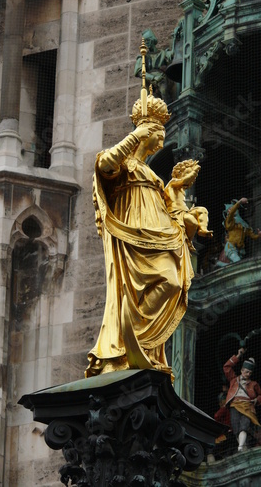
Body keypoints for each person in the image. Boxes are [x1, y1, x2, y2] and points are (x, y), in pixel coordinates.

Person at [85, 86, 194, 382]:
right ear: (147, 132)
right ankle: (125, 340)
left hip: (157, 238)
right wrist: (135, 134)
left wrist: (178, 189)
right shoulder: (124, 165)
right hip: (132, 238)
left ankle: (141, 342)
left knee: (172, 282)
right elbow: (105, 165)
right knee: (159, 284)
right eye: (158, 131)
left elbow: (173, 215)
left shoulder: (153, 175)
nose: (162, 137)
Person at [164, 159, 213, 251]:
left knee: (202, 210)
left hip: (185, 211)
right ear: (179, 173)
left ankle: (202, 229)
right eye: (187, 173)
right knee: (192, 221)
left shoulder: (182, 190)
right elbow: (185, 181)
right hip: (175, 214)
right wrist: (194, 172)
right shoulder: (172, 183)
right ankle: (188, 241)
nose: (192, 179)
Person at [223, 348, 261, 452]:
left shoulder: (253, 384)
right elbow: (226, 367)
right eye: (246, 372)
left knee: (244, 425)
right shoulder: (234, 380)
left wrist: (256, 400)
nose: (248, 374)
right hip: (234, 405)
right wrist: (238, 356)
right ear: (242, 370)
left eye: (250, 373)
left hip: (247, 406)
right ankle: (242, 446)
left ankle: (241, 447)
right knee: (235, 426)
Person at [217, 198, 261, 266]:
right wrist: (239, 202)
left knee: (236, 265)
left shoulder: (244, 224)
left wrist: (258, 235)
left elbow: (252, 235)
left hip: (240, 250)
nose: (231, 210)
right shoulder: (229, 221)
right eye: (229, 209)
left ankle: (220, 264)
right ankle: (220, 264)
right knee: (238, 263)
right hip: (231, 247)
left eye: (232, 208)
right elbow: (231, 213)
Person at [134, 28, 172, 99]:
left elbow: (171, 56)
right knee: (145, 98)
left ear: (152, 40)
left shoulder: (163, 53)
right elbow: (139, 72)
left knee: (164, 91)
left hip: (161, 78)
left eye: (148, 41)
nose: (146, 43)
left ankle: (168, 108)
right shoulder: (143, 56)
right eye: (145, 41)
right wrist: (153, 78)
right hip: (148, 79)